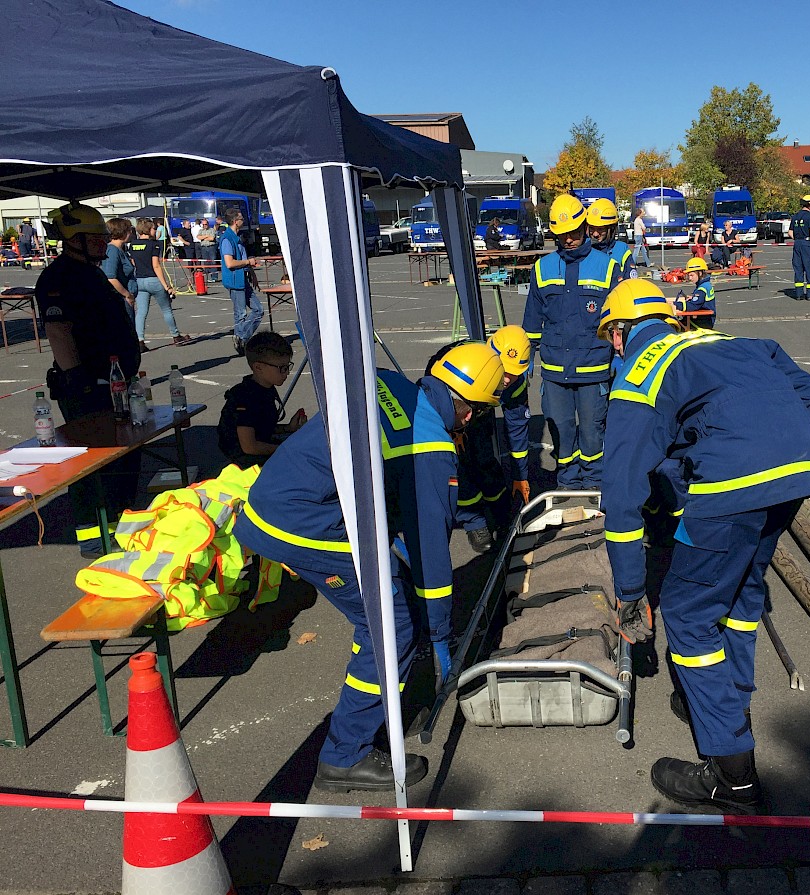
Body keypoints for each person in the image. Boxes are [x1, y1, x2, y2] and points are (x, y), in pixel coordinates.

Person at [232, 343, 505, 792]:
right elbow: (431, 556)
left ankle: (388, 700)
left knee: (394, 599)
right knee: (390, 625)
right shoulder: (432, 449)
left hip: (278, 493)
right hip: (302, 520)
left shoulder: (388, 380)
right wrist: (438, 631)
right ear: (470, 412)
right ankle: (345, 756)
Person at [596, 279, 810, 814]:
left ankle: (732, 776)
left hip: (732, 489)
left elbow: (623, 500)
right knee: (744, 590)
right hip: (796, 470)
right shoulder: (725, 340)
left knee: (687, 612)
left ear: (618, 334)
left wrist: (632, 594)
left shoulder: (639, 369)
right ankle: (727, 699)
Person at [35, 203, 141, 557]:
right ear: (72, 239)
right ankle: (92, 535)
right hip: (88, 387)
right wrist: (77, 378)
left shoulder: (91, 272)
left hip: (112, 382)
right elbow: (59, 331)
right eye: (93, 237)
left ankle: (119, 523)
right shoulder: (58, 278)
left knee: (121, 455)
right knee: (91, 461)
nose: (102, 243)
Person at [521, 193, 619, 490]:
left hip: (593, 369)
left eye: (574, 233)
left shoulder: (606, 266)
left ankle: (594, 484)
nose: (569, 240)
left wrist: (620, 359)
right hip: (555, 369)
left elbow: (618, 321)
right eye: (562, 235)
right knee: (561, 430)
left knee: (592, 432)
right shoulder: (542, 268)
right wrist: (526, 360)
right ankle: (567, 483)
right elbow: (532, 321)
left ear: (585, 228)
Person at [425, 326, 532, 553]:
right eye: (504, 371)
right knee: (460, 470)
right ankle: (475, 523)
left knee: (485, 462)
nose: (506, 380)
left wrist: (520, 476)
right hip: (455, 414)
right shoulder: (459, 357)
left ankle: (503, 515)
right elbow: (434, 394)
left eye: (513, 374)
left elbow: (517, 430)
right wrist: (451, 430)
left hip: (480, 411)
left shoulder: (515, 384)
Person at [217, 331, 306, 468]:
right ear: (258, 367)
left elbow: (260, 428)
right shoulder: (246, 397)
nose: (287, 372)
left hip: (255, 457)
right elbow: (249, 447)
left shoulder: (264, 389)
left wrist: (288, 428)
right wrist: (286, 449)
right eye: (282, 368)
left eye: (287, 366)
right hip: (245, 464)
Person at [128, 218, 190, 350]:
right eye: (154, 229)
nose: (155, 231)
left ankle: (140, 340)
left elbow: (133, 262)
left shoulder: (133, 244)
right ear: (148, 230)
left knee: (141, 312)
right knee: (166, 309)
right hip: (153, 279)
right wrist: (166, 286)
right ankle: (175, 335)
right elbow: (156, 266)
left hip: (139, 279)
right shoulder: (154, 245)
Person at [221, 209, 263, 356]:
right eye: (241, 218)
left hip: (242, 278)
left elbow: (243, 258)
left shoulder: (237, 237)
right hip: (234, 280)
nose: (243, 220)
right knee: (240, 314)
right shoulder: (227, 239)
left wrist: (252, 273)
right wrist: (248, 261)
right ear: (234, 221)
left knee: (258, 310)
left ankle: (242, 337)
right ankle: (241, 340)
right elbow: (230, 263)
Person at [100, 217, 138, 324]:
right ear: (122, 232)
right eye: (129, 230)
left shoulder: (120, 250)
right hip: (120, 299)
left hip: (124, 297)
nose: (131, 233)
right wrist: (127, 294)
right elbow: (111, 277)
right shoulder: (112, 250)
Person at [585, 198, 634, 279]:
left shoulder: (621, 250)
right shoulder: (584, 250)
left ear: (611, 229)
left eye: (600, 229)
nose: (595, 234)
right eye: (592, 229)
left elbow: (631, 283)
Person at [788, 195, 810, 300]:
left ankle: (799, 294)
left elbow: (790, 232)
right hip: (807, 244)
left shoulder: (795, 216)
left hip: (797, 244)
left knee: (798, 269)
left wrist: (798, 239)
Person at [678, 256, 715, 329]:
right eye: (689, 276)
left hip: (703, 323)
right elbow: (702, 300)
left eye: (692, 275)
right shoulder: (705, 284)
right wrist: (693, 297)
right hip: (706, 319)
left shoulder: (701, 289)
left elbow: (693, 306)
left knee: (677, 325)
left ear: (700, 273)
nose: (690, 278)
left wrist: (677, 305)